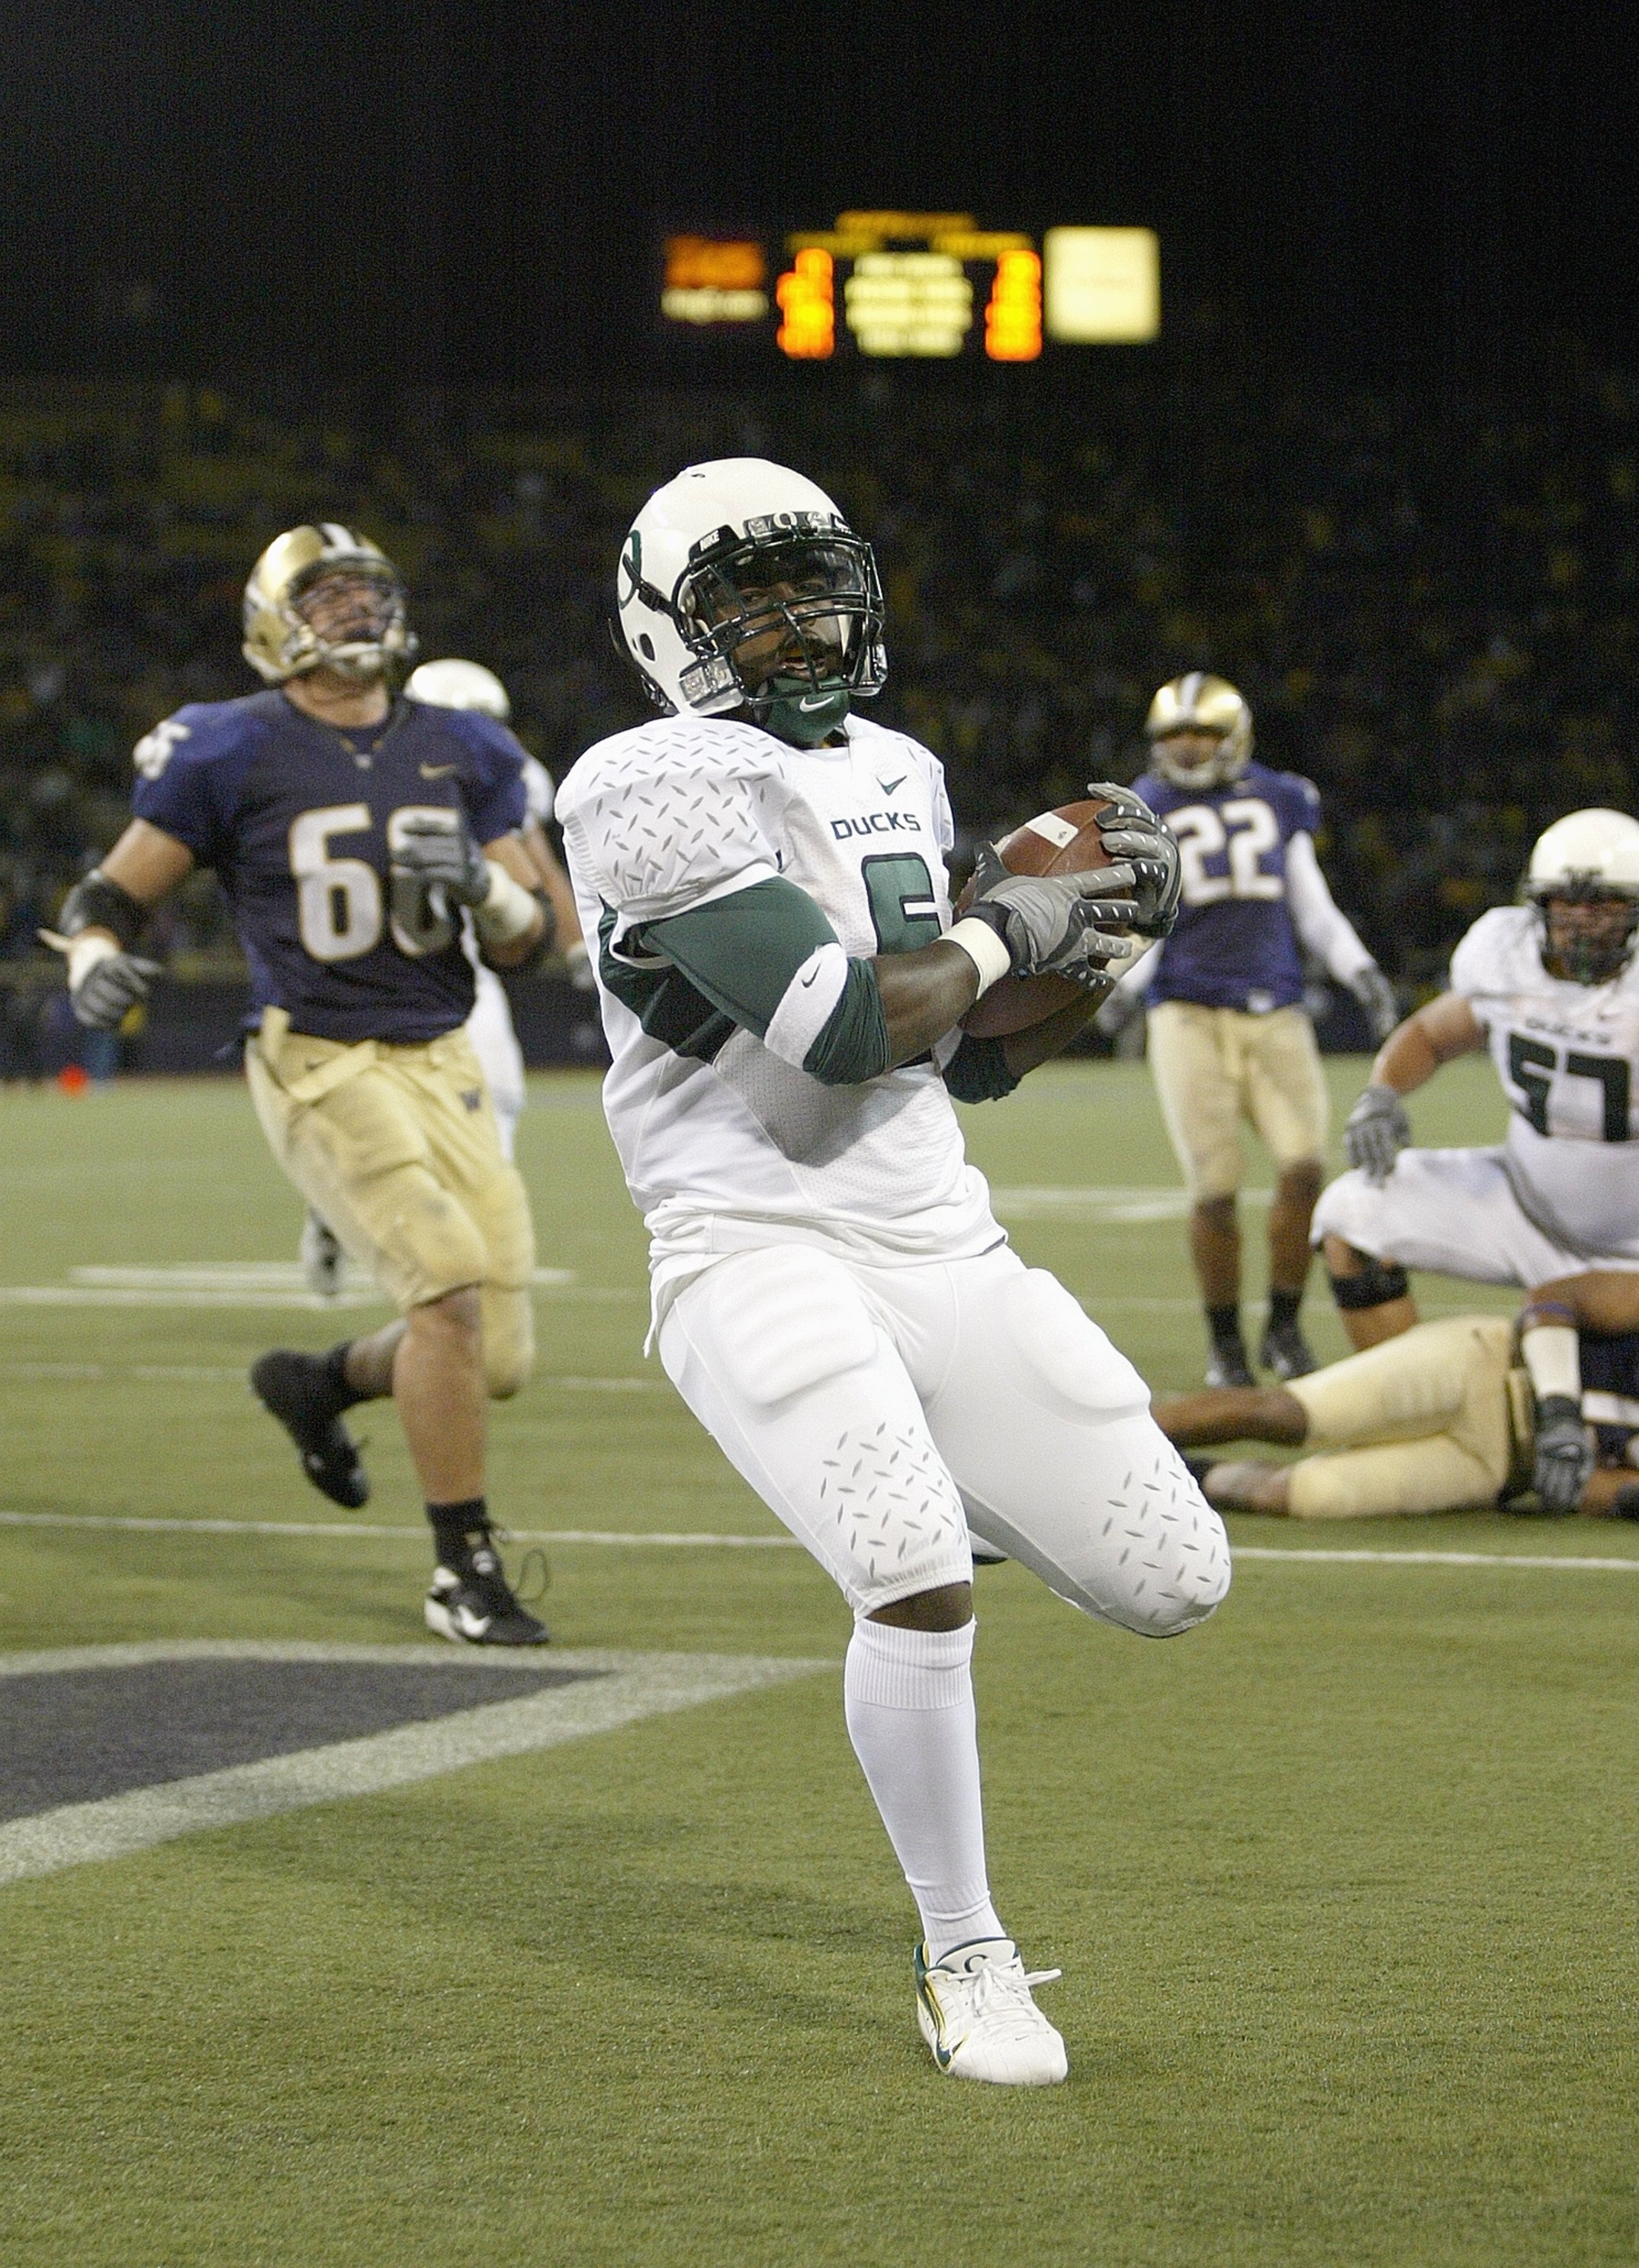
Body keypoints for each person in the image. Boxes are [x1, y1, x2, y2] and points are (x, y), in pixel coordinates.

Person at [557, 458, 1229, 2086]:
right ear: (665, 631)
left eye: (814, 585)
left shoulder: (901, 764)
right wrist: (1015, 922)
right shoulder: (642, 779)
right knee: (912, 1571)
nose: (796, 623)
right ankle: (963, 1953)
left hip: (941, 1238)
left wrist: (1098, 938)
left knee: (1175, 1577)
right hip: (749, 1243)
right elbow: (846, 1028)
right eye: (748, 598)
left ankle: (935, 1477)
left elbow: (964, 1057)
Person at [45, 524, 552, 1645]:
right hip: (317, 1053)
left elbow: (538, 943)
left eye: (367, 595)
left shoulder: (463, 744)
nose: (355, 615)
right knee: (448, 1294)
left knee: (498, 1355)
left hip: (445, 1053)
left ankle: (320, 1384)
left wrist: (486, 890)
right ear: (274, 624)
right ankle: (463, 1567)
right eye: (326, 599)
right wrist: (90, 959)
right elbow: (111, 894)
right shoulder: (229, 745)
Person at [1315, 811, 1639, 1499]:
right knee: (1352, 1212)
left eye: (1604, 904)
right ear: (1538, 905)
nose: (1581, 920)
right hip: (1523, 1199)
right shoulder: (1503, 956)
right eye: (1566, 903)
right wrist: (1381, 1094)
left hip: (1631, 1253)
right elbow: (1433, 1033)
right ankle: (1410, 1407)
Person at [1104, 674, 1397, 1389]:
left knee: (1303, 1167)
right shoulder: (1143, 804)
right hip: (1186, 1011)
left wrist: (1358, 967)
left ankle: (1285, 1326)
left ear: (1233, 737)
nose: (1187, 746)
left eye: (1201, 732)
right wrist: (1122, 985)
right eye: (1175, 734)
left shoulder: (1278, 795)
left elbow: (1310, 903)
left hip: (1276, 1011)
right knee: (1213, 1189)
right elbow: (1142, 912)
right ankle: (1226, 1344)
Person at [296, 657, 590, 1296]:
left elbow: (533, 861)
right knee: (383, 1113)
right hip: (381, 965)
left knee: (496, 1090)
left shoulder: (491, 773)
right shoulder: (373, 768)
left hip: (461, 964)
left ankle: (468, 1231)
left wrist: (573, 944)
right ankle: (342, 1207)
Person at [1153, 1269, 1639, 1520]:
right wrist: (1559, 1408)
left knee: (1307, 1494)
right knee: (1290, 1415)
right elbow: (1555, 1298)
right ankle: (1122, 1431)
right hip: (1487, 1366)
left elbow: (1599, 1487)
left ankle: (1161, 1479)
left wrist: (1603, 1491)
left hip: (1498, 1465)